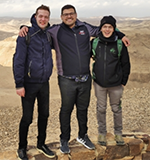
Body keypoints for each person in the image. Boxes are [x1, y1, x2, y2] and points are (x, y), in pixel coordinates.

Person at [19, 4, 130, 154]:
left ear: (76, 15)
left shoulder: (85, 27)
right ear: (61, 17)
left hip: (85, 78)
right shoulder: (55, 30)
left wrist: (121, 34)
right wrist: (24, 26)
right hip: (66, 79)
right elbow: (40, 28)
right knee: (66, 109)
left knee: (82, 109)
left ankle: (82, 136)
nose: (69, 16)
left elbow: (104, 29)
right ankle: (64, 139)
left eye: (71, 13)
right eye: (65, 14)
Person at [12, 4, 55, 160]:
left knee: (44, 114)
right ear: (35, 17)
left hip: (44, 82)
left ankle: (41, 144)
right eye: (40, 16)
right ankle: (22, 147)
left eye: (46, 17)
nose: (43, 19)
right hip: (29, 84)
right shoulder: (26, 34)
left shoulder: (49, 35)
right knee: (27, 118)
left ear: (48, 18)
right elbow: (18, 60)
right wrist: (19, 84)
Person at [91, 16, 131, 146]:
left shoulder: (119, 44)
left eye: (110, 27)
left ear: (114, 29)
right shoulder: (95, 42)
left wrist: (123, 81)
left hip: (116, 84)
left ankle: (118, 133)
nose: (107, 30)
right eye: (105, 27)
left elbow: (126, 64)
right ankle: (102, 133)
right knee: (101, 109)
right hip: (99, 84)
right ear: (101, 28)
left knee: (116, 109)